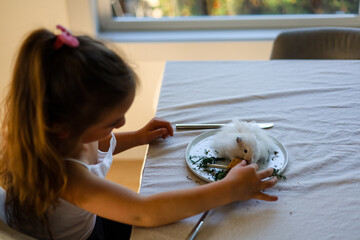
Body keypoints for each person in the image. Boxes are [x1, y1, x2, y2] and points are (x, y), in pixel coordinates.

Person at [0, 25, 278, 240]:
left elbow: (100, 146)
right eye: (111, 122)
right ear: (63, 126)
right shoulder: (65, 178)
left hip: (89, 221)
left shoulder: (63, 135)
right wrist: (228, 190)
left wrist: (137, 137)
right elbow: (144, 211)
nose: (121, 123)